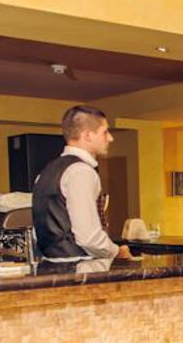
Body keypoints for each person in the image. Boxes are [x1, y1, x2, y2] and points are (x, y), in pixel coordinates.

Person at [32, 105, 132, 262]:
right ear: (87, 136)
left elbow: (38, 231)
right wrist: (117, 252)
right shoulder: (81, 171)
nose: (110, 138)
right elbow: (89, 238)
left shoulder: (45, 172)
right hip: (79, 267)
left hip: (49, 265)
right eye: (105, 132)